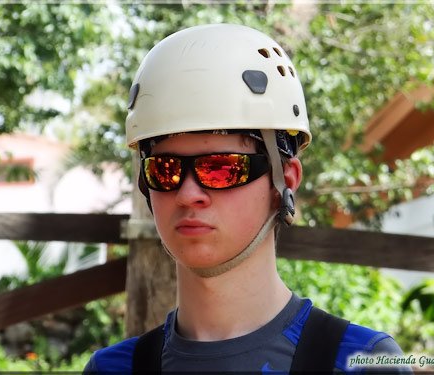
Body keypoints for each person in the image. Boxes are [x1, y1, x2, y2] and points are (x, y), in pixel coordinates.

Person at [84, 23, 411, 373]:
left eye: (223, 169)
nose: (188, 193)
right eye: (165, 170)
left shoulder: (360, 363)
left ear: (284, 180)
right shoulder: (113, 368)